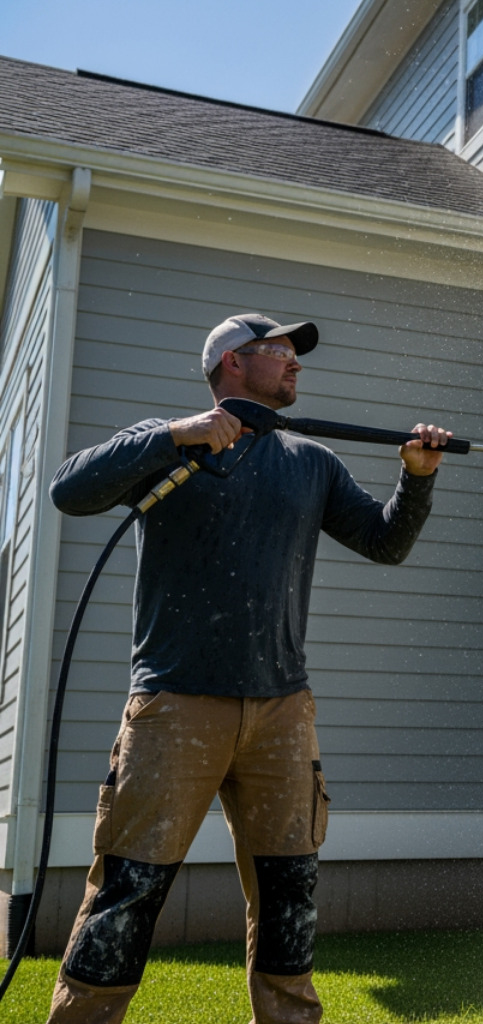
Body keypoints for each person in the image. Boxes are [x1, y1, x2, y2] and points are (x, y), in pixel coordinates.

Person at [45, 313, 451, 1024]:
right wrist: (176, 435)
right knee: (130, 887)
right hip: (175, 705)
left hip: (282, 712)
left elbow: (384, 544)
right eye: (280, 352)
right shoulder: (170, 444)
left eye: (296, 355)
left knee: (289, 887)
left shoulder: (311, 461)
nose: (295, 365)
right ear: (232, 362)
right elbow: (70, 490)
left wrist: (414, 481)